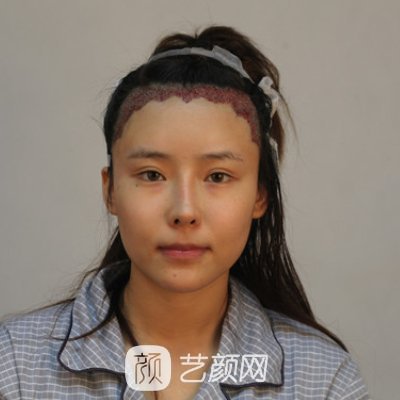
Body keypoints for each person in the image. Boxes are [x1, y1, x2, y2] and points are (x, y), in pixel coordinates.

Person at [0, 25, 369, 399]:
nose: (185, 211)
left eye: (218, 176)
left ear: (260, 195)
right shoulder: (14, 365)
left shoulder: (323, 380)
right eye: (152, 174)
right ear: (110, 190)